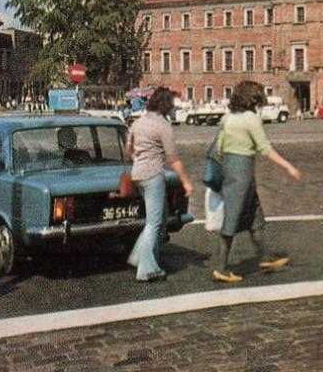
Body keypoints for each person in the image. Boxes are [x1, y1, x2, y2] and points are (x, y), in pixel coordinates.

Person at [211, 80, 301, 285]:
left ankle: (264, 258)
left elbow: (218, 148)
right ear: (253, 99)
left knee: (254, 215)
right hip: (242, 170)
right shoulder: (251, 119)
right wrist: (288, 166)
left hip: (231, 168)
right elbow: (265, 148)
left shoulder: (228, 117)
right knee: (232, 218)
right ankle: (221, 268)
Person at [126, 86, 193, 283]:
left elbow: (129, 150)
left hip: (137, 174)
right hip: (153, 175)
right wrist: (186, 182)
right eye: (172, 105)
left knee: (159, 218)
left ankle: (139, 255)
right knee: (154, 223)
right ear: (166, 105)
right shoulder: (163, 125)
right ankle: (146, 269)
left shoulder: (138, 122)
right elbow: (173, 157)